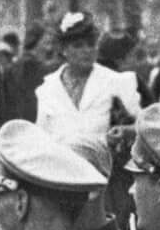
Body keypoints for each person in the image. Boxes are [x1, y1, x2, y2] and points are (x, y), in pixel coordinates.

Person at [33, 10, 141, 145]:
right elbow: (41, 137)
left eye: (91, 44)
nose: (87, 50)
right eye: (78, 46)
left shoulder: (116, 81)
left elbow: (142, 127)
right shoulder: (48, 89)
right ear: (63, 49)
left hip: (103, 163)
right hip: (60, 164)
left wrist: (125, 131)